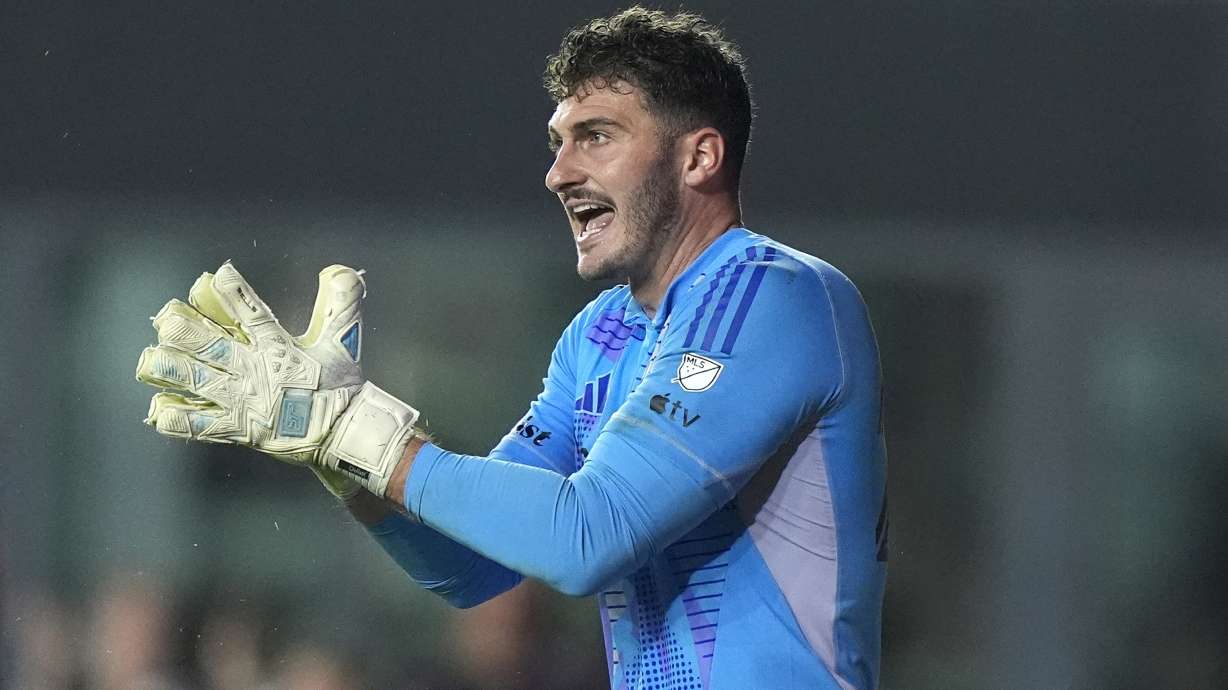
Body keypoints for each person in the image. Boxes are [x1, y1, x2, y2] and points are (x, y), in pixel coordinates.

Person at [136, 7, 887, 689]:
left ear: (699, 158)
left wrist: (351, 426)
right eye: (558, 142)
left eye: (596, 135)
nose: (559, 172)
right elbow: (471, 567)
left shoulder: (773, 295)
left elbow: (586, 536)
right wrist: (339, 461)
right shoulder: (599, 335)